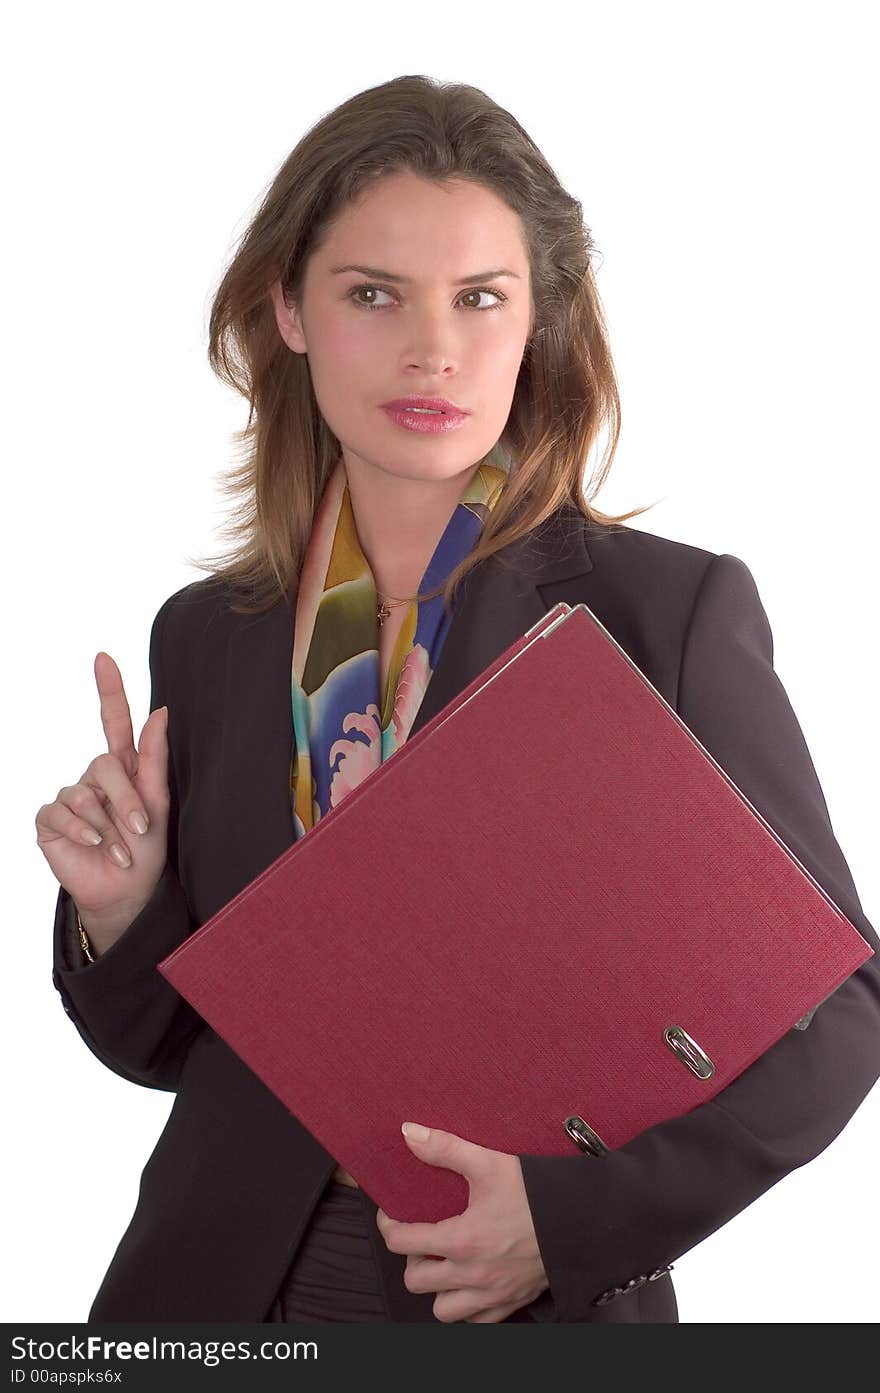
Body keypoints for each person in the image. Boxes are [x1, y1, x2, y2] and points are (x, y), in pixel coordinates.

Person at [38, 75, 880, 1324]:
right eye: (373, 293)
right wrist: (123, 912)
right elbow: (169, 1051)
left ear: (534, 321)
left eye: (479, 298)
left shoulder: (662, 616)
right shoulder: (213, 635)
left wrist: (571, 1222)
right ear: (290, 310)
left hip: (524, 1301)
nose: (432, 349)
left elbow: (839, 1016)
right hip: (210, 1295)